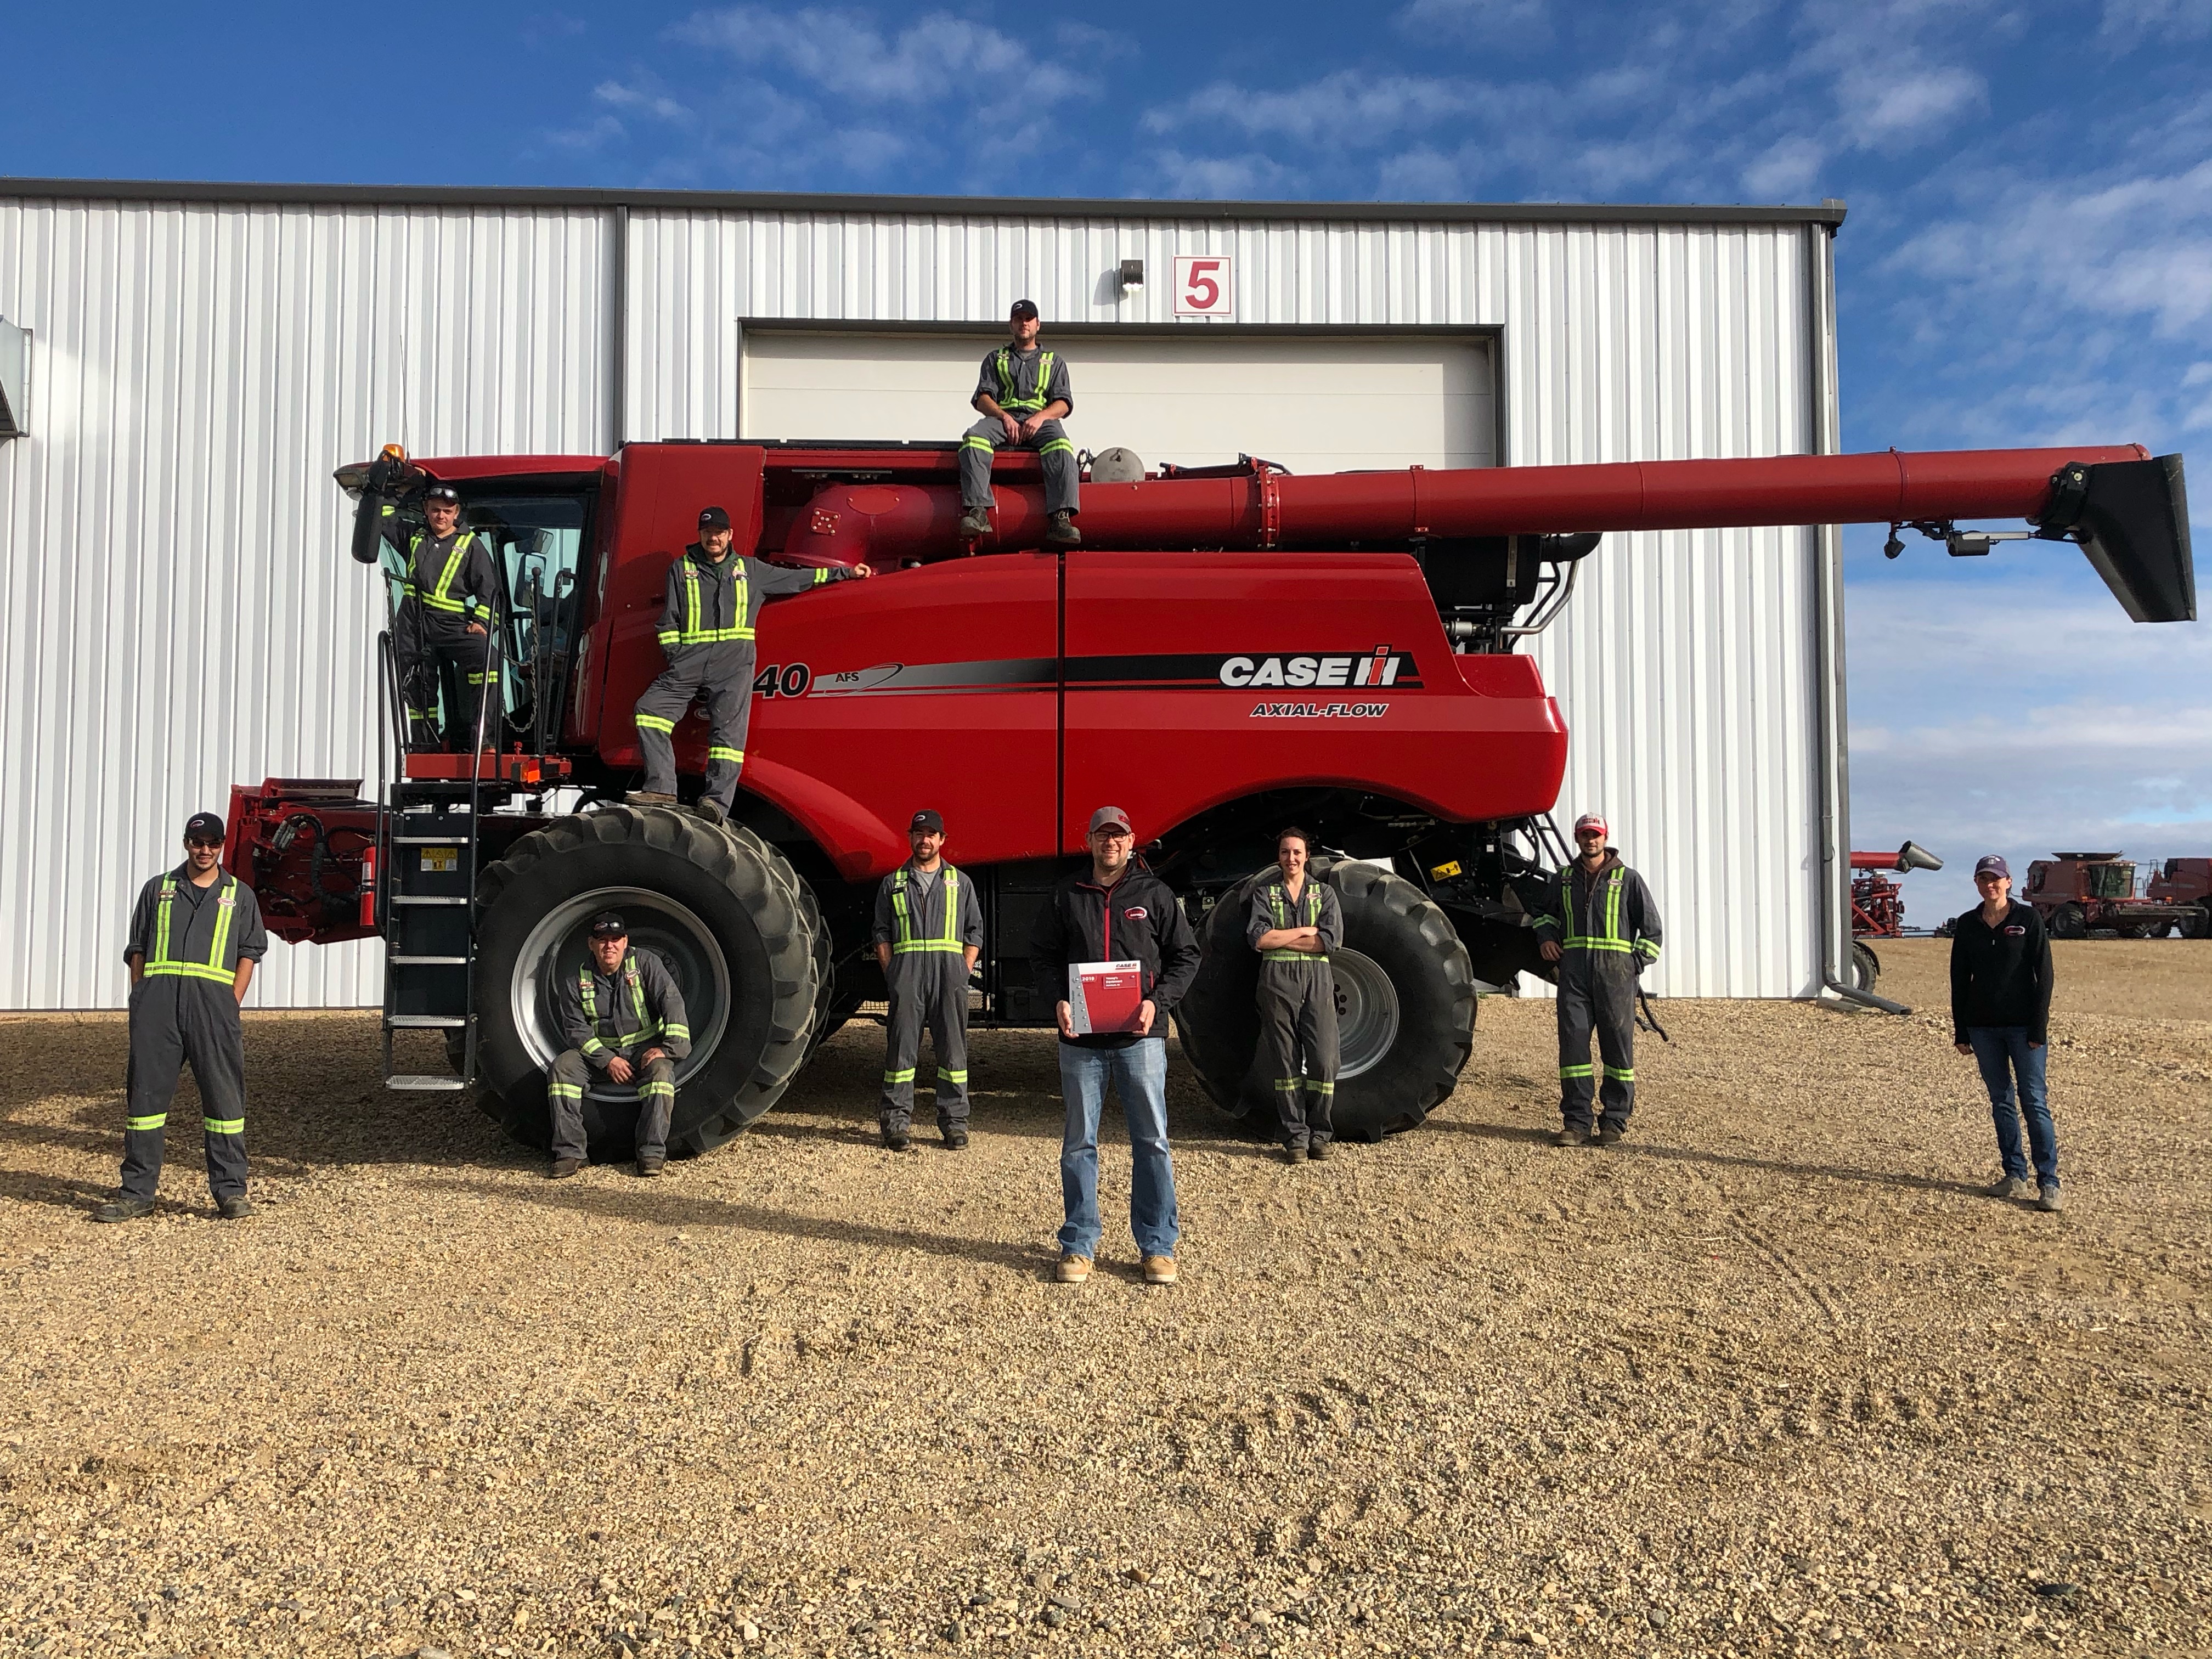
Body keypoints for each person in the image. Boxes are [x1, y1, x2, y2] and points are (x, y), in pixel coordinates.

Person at [1030, 805, 1200, 1286]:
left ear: (1132, 842)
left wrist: (1156, 1002)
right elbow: (1041, 957)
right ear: (1089, 841)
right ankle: (1079, 1244)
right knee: (1079, 1144)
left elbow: (1186, 956)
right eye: (1103, 836)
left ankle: (1158, 1246)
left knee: (1152, 1142)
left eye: (1119, 836)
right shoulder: (1067, 894)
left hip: (1139, 1039)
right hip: (1081, 1041)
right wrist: (1059, 1001)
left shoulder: (1155, 895)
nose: (1111, 843)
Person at [630, 506, 871, 824]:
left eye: (718, 532)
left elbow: (799, 579)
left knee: (727, 737)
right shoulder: (681, 568)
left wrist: (845, 573)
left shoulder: (751, 570)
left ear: (729, 535)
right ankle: (661, 788)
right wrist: (675, 655)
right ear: (699, 535)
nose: (712, 538)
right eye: (707, 532)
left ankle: (716, 803)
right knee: (650, 711)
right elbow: (668, 621)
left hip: (734, 663)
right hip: (688, 661)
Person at [95, 812, 269, 1222]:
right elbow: (137, 947)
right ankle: (136, 1193)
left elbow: (250, 952)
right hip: (158, 1006)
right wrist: (140, 997)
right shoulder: (158, 889)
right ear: (186, 843)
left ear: (222, 845)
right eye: (197, 842)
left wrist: (232, 1001)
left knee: (225, 1100)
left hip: (214, 1008)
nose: (204, 850)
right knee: (145, 1102)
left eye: (212, 843)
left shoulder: (239, 894)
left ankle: (231, 1192)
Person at [1534, 812, 1662, 1147]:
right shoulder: (1562, 879)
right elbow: (1544, 915)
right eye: (1584, 835)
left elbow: (1652, 931)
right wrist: (1546, 937)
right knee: (1574, 1048)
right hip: (1574, 975)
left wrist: (1632, 964)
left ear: (1605, 838)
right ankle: (1576, 1123)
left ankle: (1614, 1122)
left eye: (1596, 834)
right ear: (1576, 839)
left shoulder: (1628, 879)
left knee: (1617, 1050)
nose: (1590, 840)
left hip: (1615, 978)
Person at [1950, 855, 2061, 1212]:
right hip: (1983, 1029)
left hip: (2023, 1028)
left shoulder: (2027, 919)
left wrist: (2038, 1027)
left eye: (1996, 879)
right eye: (1984, 879)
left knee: (2034, 1101)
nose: (1991, 885)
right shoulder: (1968, 925)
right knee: (2001, 1101)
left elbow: (2044, 975)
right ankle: (2014, 1174)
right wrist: (1961, 1030)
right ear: (1977, 884)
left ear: (2009, 882)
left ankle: (2049, 1183)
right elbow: (1958, 980)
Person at [547, 911, 692, 1179]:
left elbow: (672, 1002)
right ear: (591, 944)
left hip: (644, 1051)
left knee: (661, 1075)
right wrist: (607, 1061)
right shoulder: (575, 981)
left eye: (615, 939)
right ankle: (570, 1152)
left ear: (625, 941)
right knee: (562, 1068)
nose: (609, 945)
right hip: (601, 1056)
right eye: (602, 940)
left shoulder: (647, 964)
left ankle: (651, 1153)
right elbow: (576, 1032)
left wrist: (668, 1049)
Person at [873, 809, 985, 1152]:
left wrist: (962, 971)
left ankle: (954, 1124)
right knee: (901, 1052)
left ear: (942, 840)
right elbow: (881, 933)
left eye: (931, 834)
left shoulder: (960, 883)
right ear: (911, 838)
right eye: (919, 834)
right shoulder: (894, 883)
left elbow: (975, 932)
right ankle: (896, 1126)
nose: (925, 840)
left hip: (948, 977)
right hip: (907, 977)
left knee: (953, 1053)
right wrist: (893, 973)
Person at [1246, 826, 1342, 1163]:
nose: (1291, 858)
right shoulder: (1265, 894)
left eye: (1297, 852)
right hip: (1277, 979)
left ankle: (1321, 1133)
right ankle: (1295, 1137)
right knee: (1285, 1059)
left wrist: (1280, 935)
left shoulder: (1325, 895)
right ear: (1279, 856)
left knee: (1324, 1057)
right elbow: (1259, 939)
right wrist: (1304, 931)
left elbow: (1329, 941)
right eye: (1286, 852)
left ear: (1307, 856)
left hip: (1317, 979)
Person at [387, 482, 503, 752]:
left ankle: (483, 740)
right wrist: (387, 487)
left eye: (447, 511)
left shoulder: (471, 544)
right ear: (426, 511)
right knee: (417, 684)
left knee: (488, 660)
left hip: (451, 623)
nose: (441, 516)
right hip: (413, 622)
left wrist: (483, 623)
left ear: (456, 513)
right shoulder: (413, 536)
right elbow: (383, 518)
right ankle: (424, 746)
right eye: (436, 510)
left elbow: (491, 591)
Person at [958, 300, 1081, 549]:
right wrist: (1004, 417)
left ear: (1038, 325)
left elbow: (1064, 404)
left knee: (1061, 445)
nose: (1023, 323)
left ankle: (1061, 520)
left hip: (1041, 421)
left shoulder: (1054, 361)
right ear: (1011, 325)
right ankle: (978, 512)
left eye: (1028, 319)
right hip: (1004, 420)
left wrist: (1041, 417)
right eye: (1018, 319)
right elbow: (982, 399)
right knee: (974, 438)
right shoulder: (996, 359)